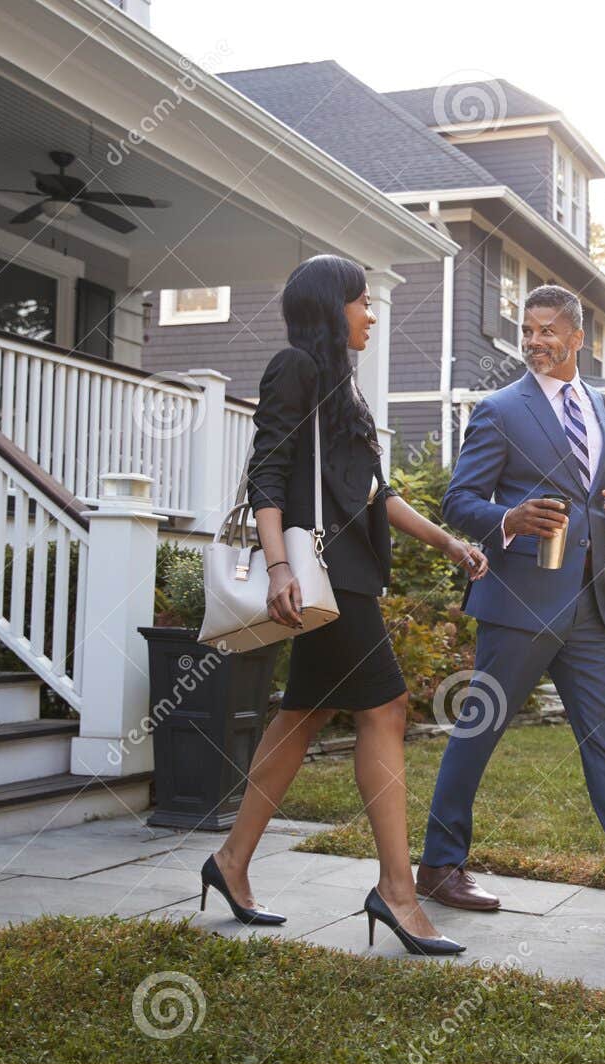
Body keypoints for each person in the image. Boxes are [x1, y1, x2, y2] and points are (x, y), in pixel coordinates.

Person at [198, 254, 488, 957]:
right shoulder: (293, 367)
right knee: (384, 708)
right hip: (321, 577)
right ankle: (395, 890)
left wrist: (447, 542)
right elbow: (265, 473)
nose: (372, 314)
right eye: (362, 302)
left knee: (299, 720)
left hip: (346, 577)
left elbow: (373, 496)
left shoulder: (344, 390)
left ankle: (232, 861)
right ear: (332, 308)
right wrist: (275, 566)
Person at [417, 284, 605, 917]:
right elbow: (458, 503)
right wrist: (510, 518)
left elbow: (603, 500)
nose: (536, 342)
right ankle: (439, 866)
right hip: (519, 600)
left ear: (578, 338)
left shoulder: (604, 410)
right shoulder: (501, 410)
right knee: (479, 731)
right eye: (528, 331)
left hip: (591, 601)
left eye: (549, 331)